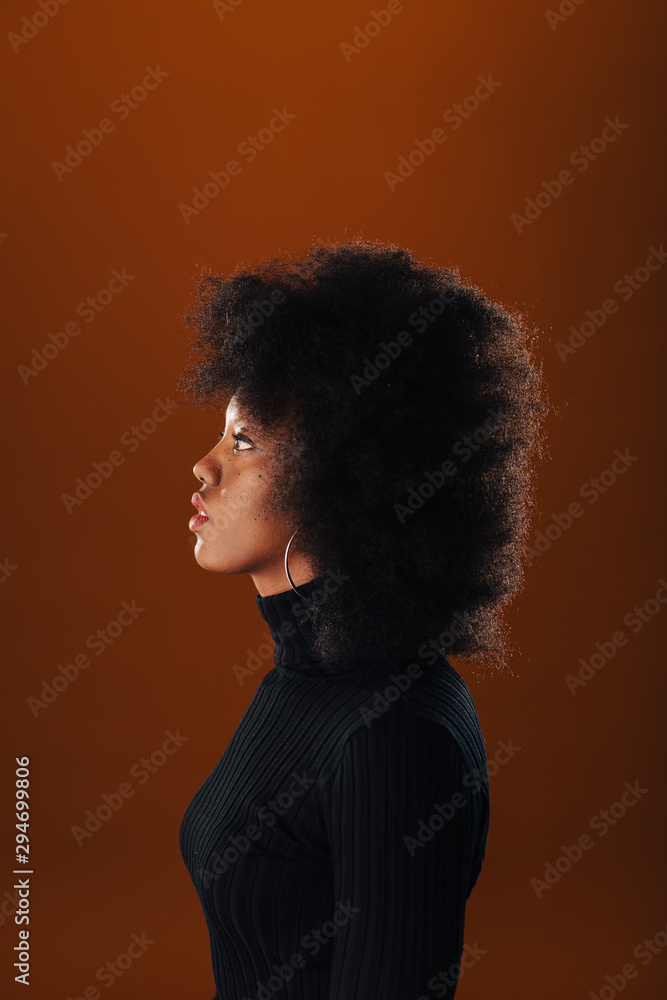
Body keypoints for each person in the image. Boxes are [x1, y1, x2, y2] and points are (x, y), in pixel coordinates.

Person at [175, 237, 549, 1000]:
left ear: (342, 477)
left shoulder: (391, 735)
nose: (204, 466)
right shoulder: (308, 675)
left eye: (244, 440)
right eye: (221, 433)